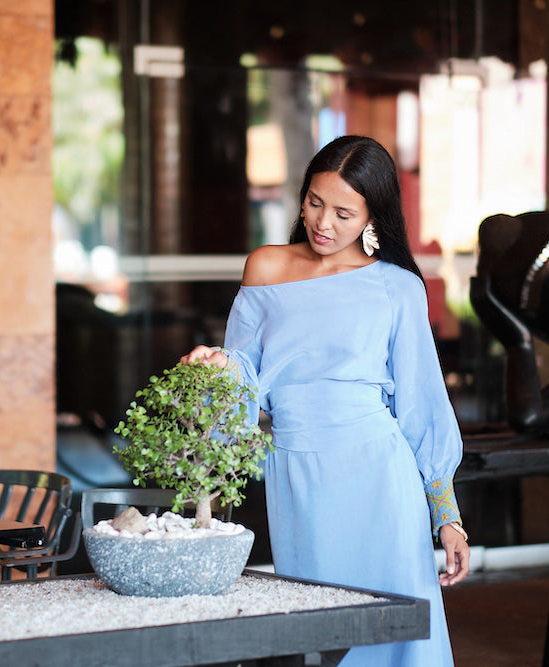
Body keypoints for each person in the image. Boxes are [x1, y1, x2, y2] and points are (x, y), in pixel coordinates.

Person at [181, 135, 469, 665]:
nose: (323, 224)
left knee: (395, 636)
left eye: (343, 212)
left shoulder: (398, 287)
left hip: (379, 476)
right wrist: (219, 369)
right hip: (297, 471)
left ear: (371, 218)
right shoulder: (265, 268)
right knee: (317, 632)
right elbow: (245, 376)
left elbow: (422, 406)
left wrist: (446, 517)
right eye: (315, 202)